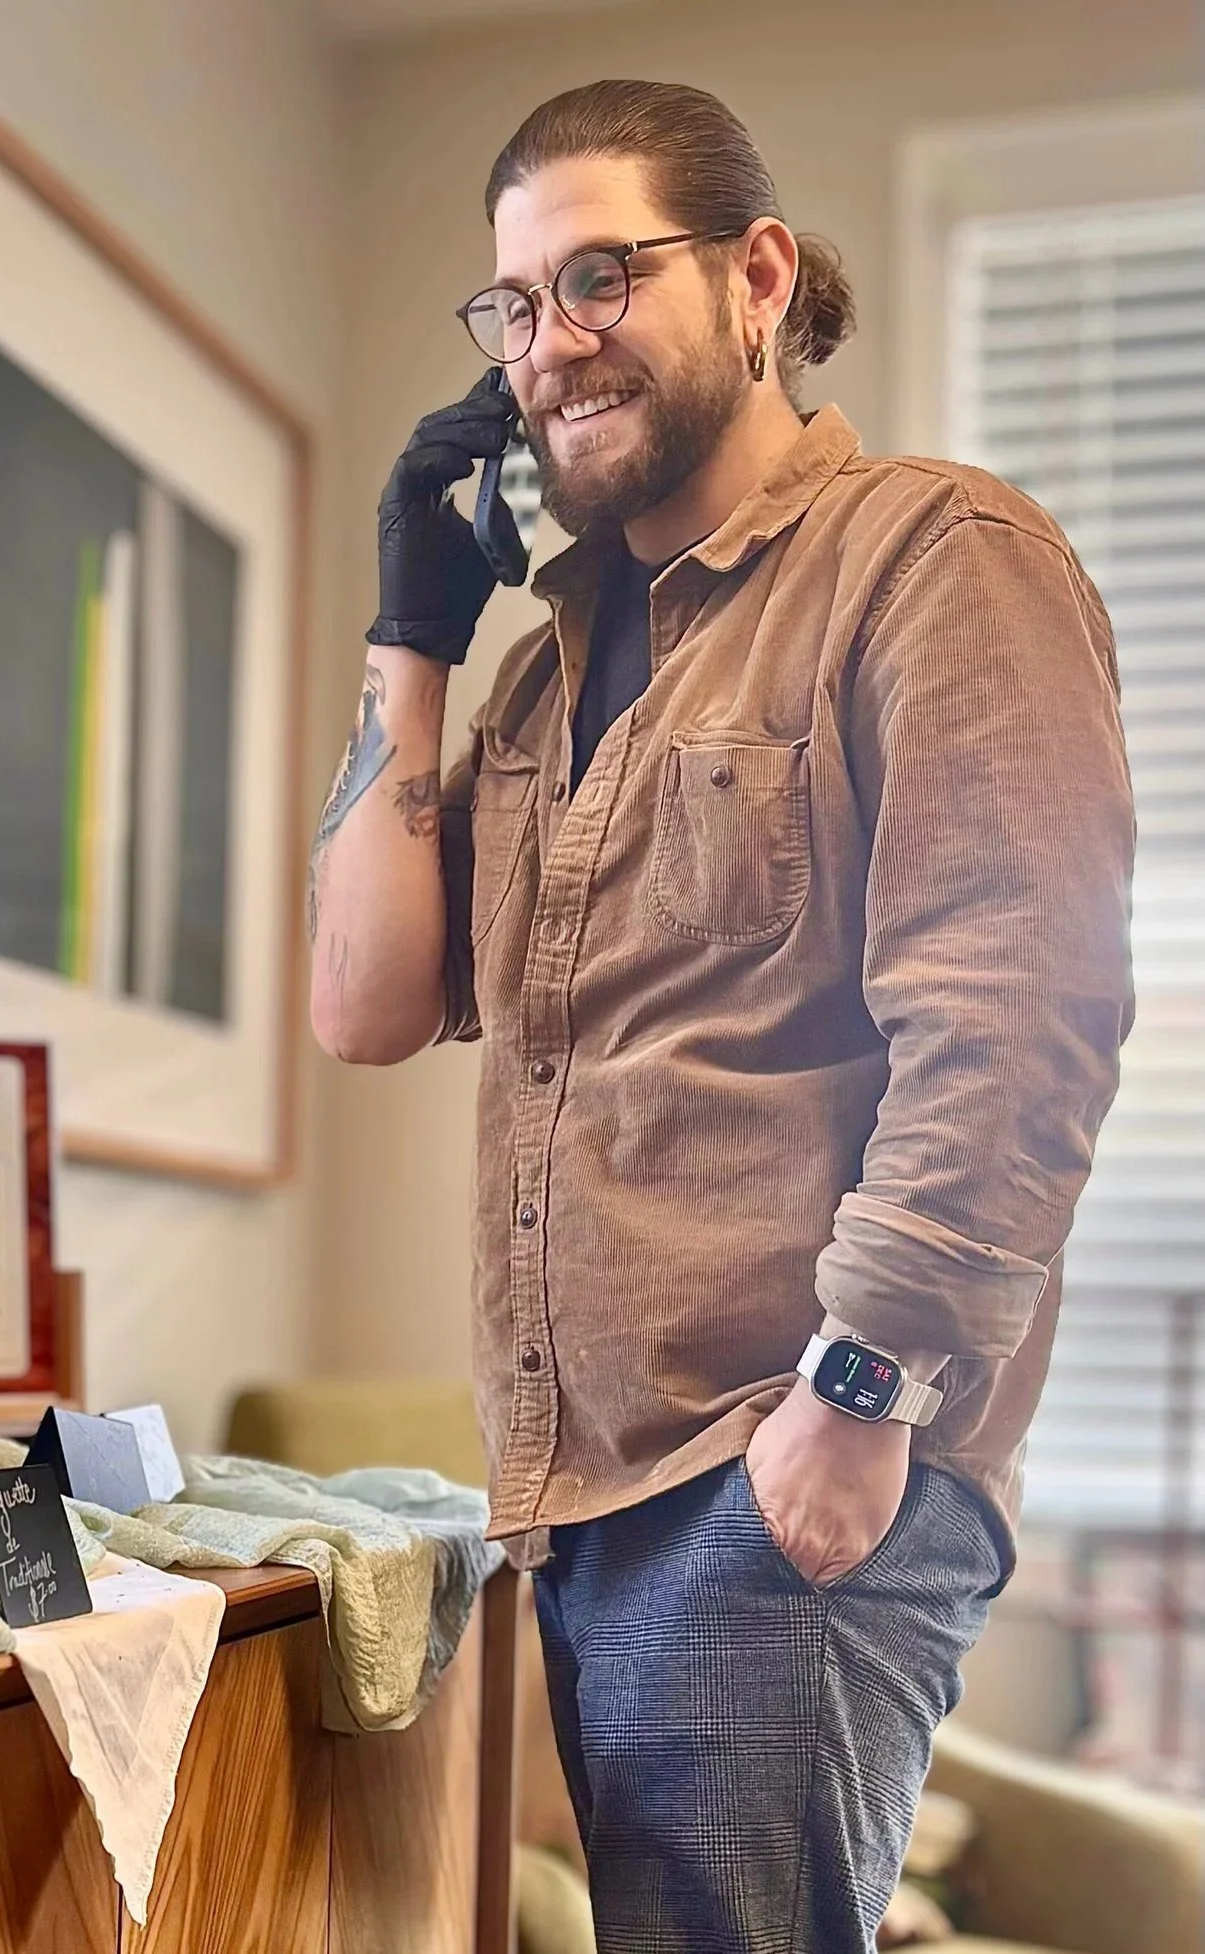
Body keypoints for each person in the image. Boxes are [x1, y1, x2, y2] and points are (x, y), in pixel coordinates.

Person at [307, 79, 1135, 1953]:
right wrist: (411, 640)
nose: (549, 343)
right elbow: (360, 1005)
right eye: (512, 305)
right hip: (584, 1496)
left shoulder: (928, 558)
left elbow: (1023, 1011)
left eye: (601, 274)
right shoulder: (535, 677)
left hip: (782, 1468)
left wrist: (856, 1400)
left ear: (757, 275)